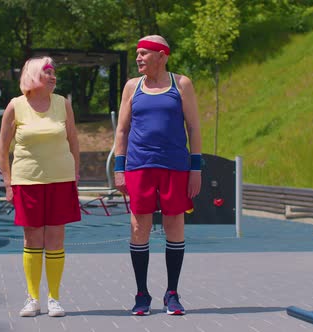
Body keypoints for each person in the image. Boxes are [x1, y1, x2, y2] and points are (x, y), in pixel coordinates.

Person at [114, 35, 202, 316]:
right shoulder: (132, 86)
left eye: (144, 54)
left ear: (162, 55)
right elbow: (122, 130)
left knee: (174, 226)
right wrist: (119, 168)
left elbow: (194, 128)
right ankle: (142, 294)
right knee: (139, 227)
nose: (138, 58)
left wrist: (196, 169)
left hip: (175, 166)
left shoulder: (182, 84)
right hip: (139, 166)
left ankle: (172, 294)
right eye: (137, 54)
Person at [0, 56, 81, 318]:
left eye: (54, 72)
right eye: (47, 72)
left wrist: (75, 176)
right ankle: (32, 298)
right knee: (32, 238)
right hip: (27, 181)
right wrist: (8, 182)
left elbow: (74, 141)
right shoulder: (15, 106)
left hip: (61, 180)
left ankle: (54, 298)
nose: (53, 76)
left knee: (55, 239)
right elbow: (2, 148)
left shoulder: (62, 104)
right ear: (33, 76)